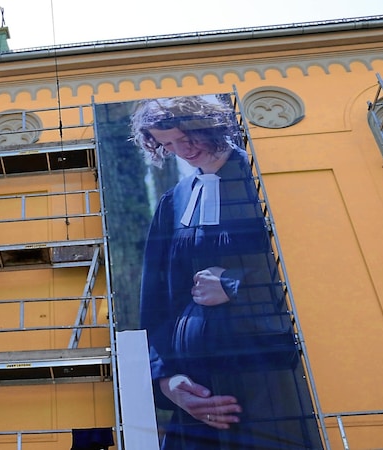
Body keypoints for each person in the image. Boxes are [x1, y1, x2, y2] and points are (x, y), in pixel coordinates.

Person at [132, 96, 321, 449]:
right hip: (196, 388)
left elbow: (314, 257)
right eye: (168, 144)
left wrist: (237, 283)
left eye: (185, 138)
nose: (182, 150)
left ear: (209, 126)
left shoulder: (265, 178)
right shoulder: (173, 201)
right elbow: (155, 301)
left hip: (266, 373)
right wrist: (168, 381)